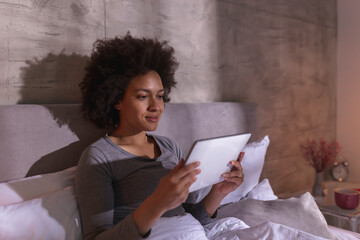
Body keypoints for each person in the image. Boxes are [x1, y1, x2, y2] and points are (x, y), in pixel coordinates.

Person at [76, 33, 245, 240]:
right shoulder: (98, 157)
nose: (156, 107)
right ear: (116, 100)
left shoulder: (169, 147)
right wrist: (156, 203)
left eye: (160, 96)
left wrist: (219, 192)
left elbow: (187, 216)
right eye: (143, 96)